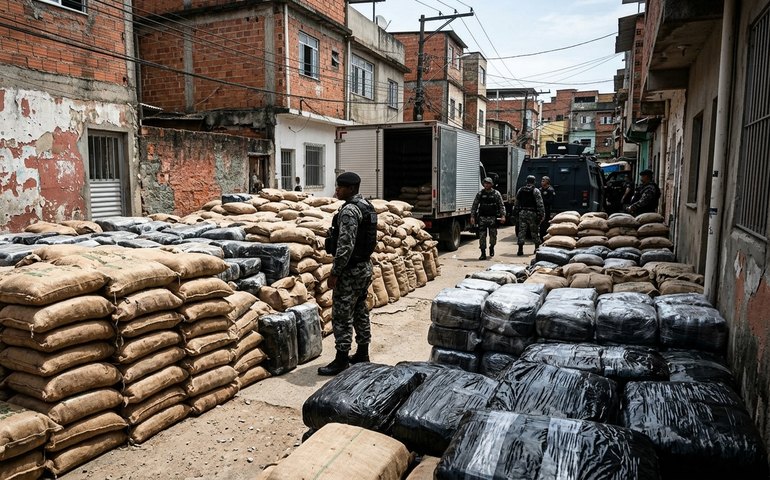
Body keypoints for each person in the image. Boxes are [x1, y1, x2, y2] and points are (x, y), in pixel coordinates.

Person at [318, 172, 378, 376]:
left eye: (340, 187)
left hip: (350, 271)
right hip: (363, 268)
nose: (337, 190)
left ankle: (341, 359)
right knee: (360, 310)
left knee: (342, 315)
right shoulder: (367, 206)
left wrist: (335, 272)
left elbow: (345, 246)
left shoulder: (350, 211)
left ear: (351, 189)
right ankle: (362, 352)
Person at [470, 177, 505, 260]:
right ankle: (483, 253)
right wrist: (472, 216)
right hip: (482, 218)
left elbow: (501, 205)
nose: (486, 184)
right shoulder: (480, 194)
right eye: (485, 183)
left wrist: (503, 215)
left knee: (493, 236)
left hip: (493, 218)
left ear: (491, 184)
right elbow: (475, 205)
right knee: (482, 236)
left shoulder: (496, 193)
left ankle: (492, 247)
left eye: (488, 183)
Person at [514, 175, 545, 256]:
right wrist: (541, 214)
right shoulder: (536, 191)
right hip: (532, 213)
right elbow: (540, 203)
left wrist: (516, 213)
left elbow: (516, 202)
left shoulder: (520, 190)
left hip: (522, 212)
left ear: (526, 181)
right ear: (534, 182)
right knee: (534, 231)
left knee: (521, 231)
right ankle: (536, 249)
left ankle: (520, 250)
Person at [539, 176, 555, 240]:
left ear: (547, 181)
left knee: (545, 224)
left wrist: (541, 201)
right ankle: (541, 238)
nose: (542, 181)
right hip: (540, 210)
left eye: (544, 180)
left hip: (547, 210)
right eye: (542, 180)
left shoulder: (550, 190)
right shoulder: (540, 190)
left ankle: (545, 238)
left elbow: (550, 201)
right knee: (541, 225)